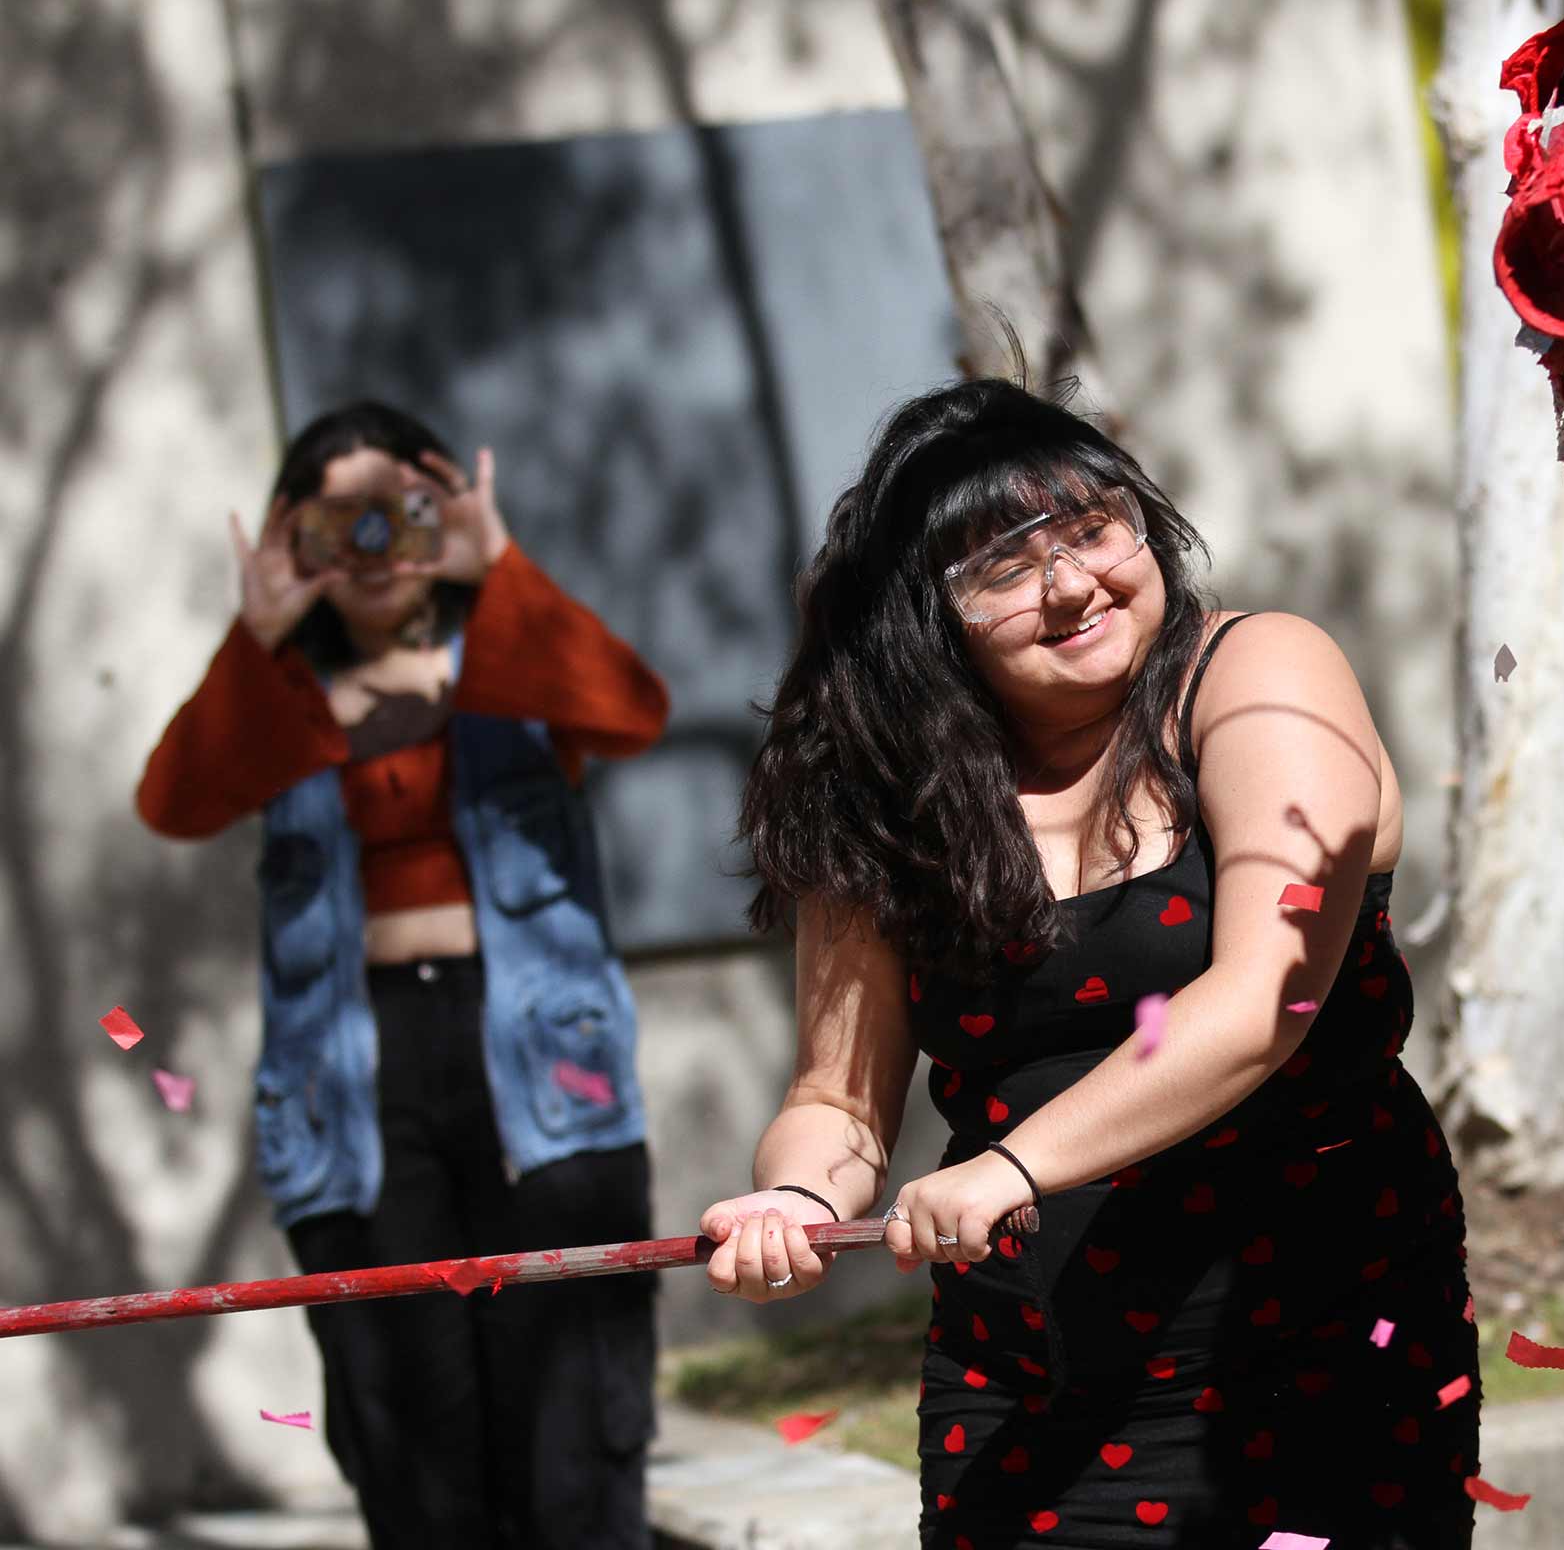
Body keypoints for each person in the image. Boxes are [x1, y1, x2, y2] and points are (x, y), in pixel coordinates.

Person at [704, 377, 1481, 1547]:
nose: (1072, 584)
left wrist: (1014, 1168)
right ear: (929, 618)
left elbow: (1270, 996)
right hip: (1027, 1362)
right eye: (1003, 568)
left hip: (1316, 1330)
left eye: (1090, 527)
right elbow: (835, 1099)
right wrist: (798, 1200)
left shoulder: (1262, 672)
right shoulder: (880, 788)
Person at [136, 401, 668, 1549]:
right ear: (297, 540)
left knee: (571, 1393)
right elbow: (173, 801)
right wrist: (259, 636)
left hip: (539, 1056)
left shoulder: (509, 659)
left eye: (397, 512)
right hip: (352, 1075)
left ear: (440, 513)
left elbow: (635, 708)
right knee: (403, 1407)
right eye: (339, 522)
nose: (370, 545)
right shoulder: (281, 698)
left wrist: (504, 567)